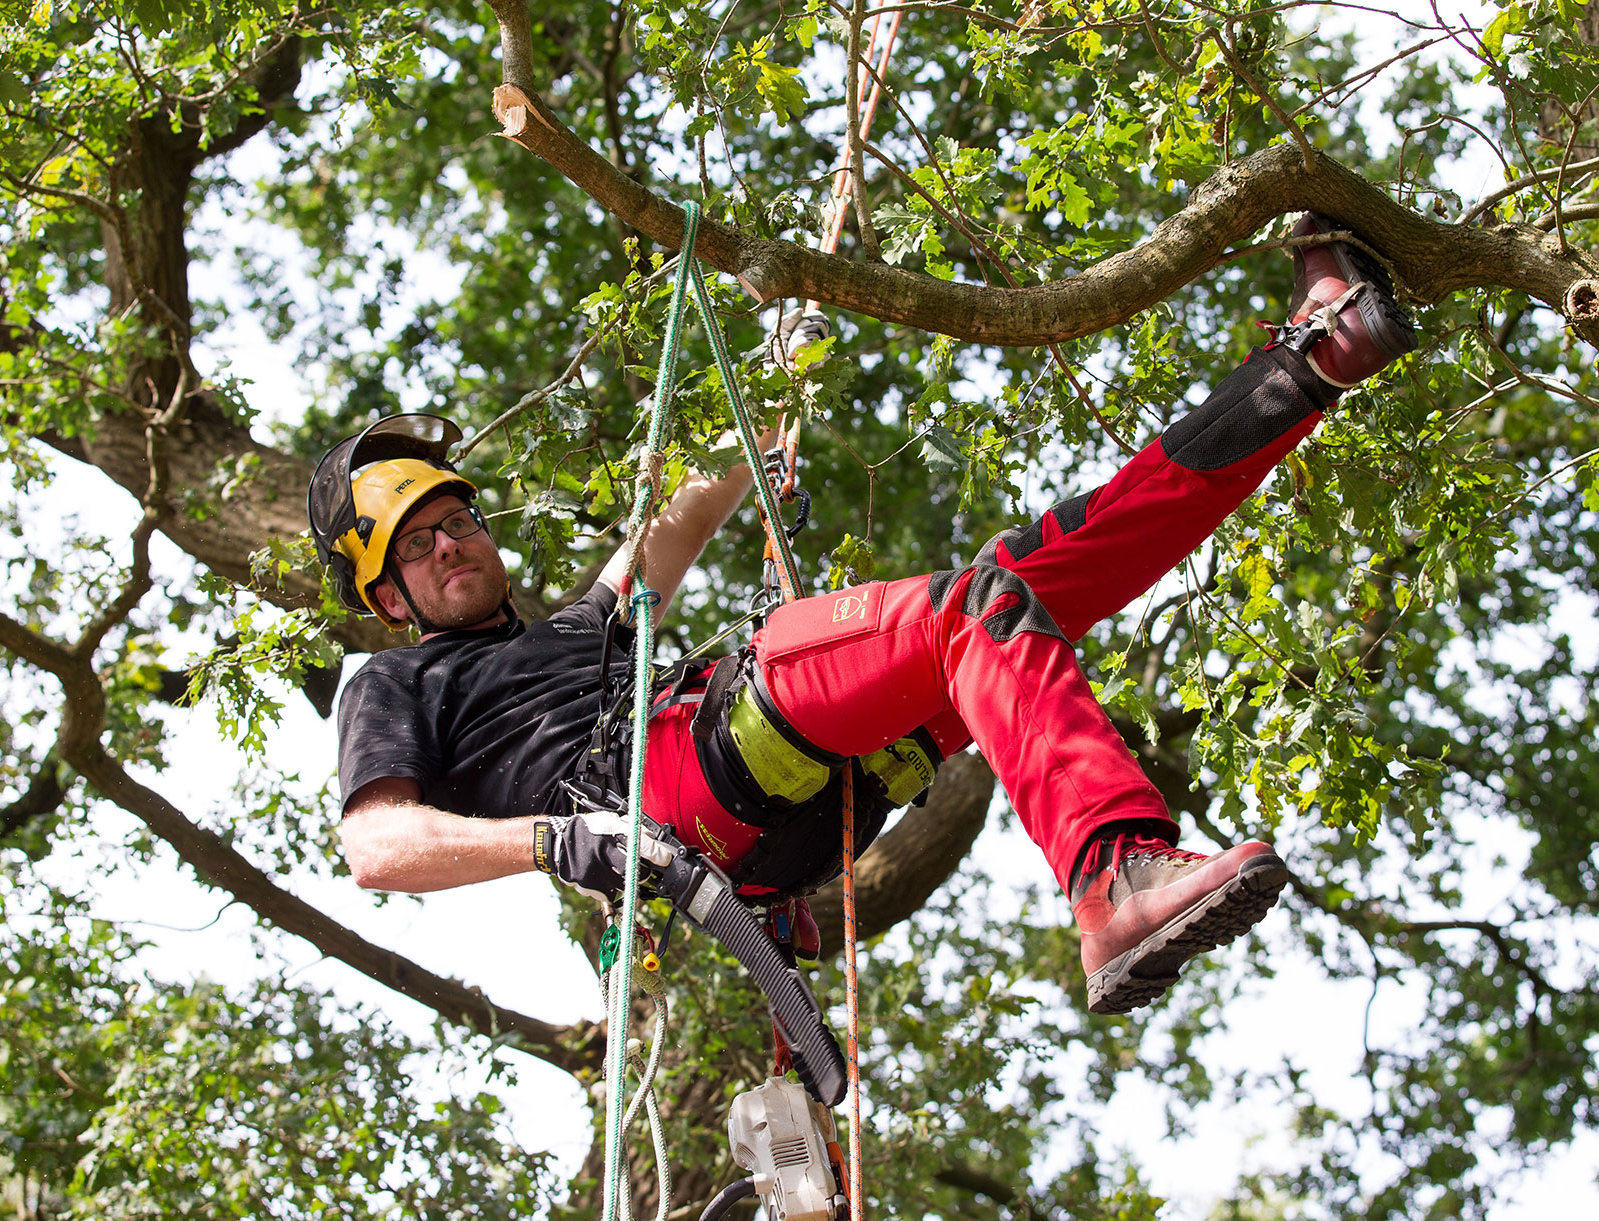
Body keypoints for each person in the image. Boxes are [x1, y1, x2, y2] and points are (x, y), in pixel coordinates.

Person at [311, 214, 1418, 1014]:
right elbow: (377, 844)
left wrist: (773, 379)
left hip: (787, 786)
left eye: (454, 518)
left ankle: (1313, 359)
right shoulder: (398, 684)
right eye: (416, 542)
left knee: (1038, 576)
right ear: (386, 592)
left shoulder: (581, 627)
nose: (448, 541)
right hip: (667, 778)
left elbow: (677, 524)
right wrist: (559, 841)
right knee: (976, 602)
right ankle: (1116, 876)